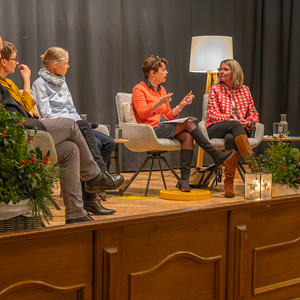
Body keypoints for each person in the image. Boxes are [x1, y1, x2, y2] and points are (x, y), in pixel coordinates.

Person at [0, 40, 118, 223]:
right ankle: (94, 176)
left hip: (31, 126)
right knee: (73, 126)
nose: (17, 62)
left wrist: (25, 80)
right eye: (15, 59)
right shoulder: (10, 86)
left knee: (71, 149)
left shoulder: (9, 84)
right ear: (3, 61)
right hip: (21, 133)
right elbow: (25, 114)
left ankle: (76, 213)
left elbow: (28, 107)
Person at [30, 46, 126, 213]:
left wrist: (80, 123)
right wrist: (75, 125)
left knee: (108, 142)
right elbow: (46, 114)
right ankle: (99, 179)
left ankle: (92, 187)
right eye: (66, 63)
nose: (68, 67)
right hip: (58, 129)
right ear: (54, 65)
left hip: (74, 126)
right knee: (92, 140)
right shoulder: (39, 84)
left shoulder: (62, 81)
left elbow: (71, 109)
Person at [131, 55, 234, 192]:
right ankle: (214, 154)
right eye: (163, 70)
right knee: (188, 122)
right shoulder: (139, 89)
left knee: (187, 136)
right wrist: (159, 103)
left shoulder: (161, 90)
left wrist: (181, 105)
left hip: (162, 126)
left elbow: (168, 115)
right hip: (149, 130)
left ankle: (184, 180)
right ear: (153, 73)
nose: (166, 72)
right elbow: (143, 114)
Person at [205, 59, 259, 198]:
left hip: (237, 130)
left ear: (234, 72)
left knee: (231, 138)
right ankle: (256, 169)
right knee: (234, 125)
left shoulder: (245, 90)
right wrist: (234, 120)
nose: (221, 72)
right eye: (220, 69)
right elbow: (212, 113)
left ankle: (229, 183)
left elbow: (253, 112)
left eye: (225, 69)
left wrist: (248, 121)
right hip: (216, 127)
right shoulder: (215, 89)